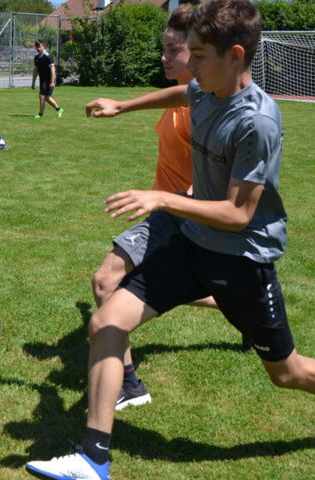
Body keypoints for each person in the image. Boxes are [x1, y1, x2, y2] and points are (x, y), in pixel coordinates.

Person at [26, 1, 315, 478]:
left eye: (198, 55)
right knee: (106, 323)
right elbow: (181, 94)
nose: (189, 66)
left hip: (242, 260)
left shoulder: (257, 122)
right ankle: (94, 457)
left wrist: (162, 199)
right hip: (193, 247)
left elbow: (238, 215)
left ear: (235, 56)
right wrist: (124, 106)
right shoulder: (205, 88)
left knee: (286, 372)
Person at [85, 4, 224, 412]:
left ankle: (129, 384)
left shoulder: (204, 108)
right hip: (167, 210)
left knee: (106, 281)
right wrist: (122, 105)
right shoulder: (184, 96)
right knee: (149, 285)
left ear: (196, 52)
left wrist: (173, 200)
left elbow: (212, 175)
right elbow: (176, 96)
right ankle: (233, 301)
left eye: (172, 50)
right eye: (163, 48)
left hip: (178, 214)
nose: (163, 57)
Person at [31, 41, 63, 119]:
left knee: (42, 96)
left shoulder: (47, 56)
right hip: (42, 80)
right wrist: (33, 82)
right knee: (47, 98)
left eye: (39, 47)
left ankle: (40, 114)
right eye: (36, 47)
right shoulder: (36, 57)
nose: (38, 48)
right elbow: (36, 70)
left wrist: (52, 82)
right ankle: (59, 109)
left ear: (43, 47)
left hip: (49, 80)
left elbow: (53, 69)